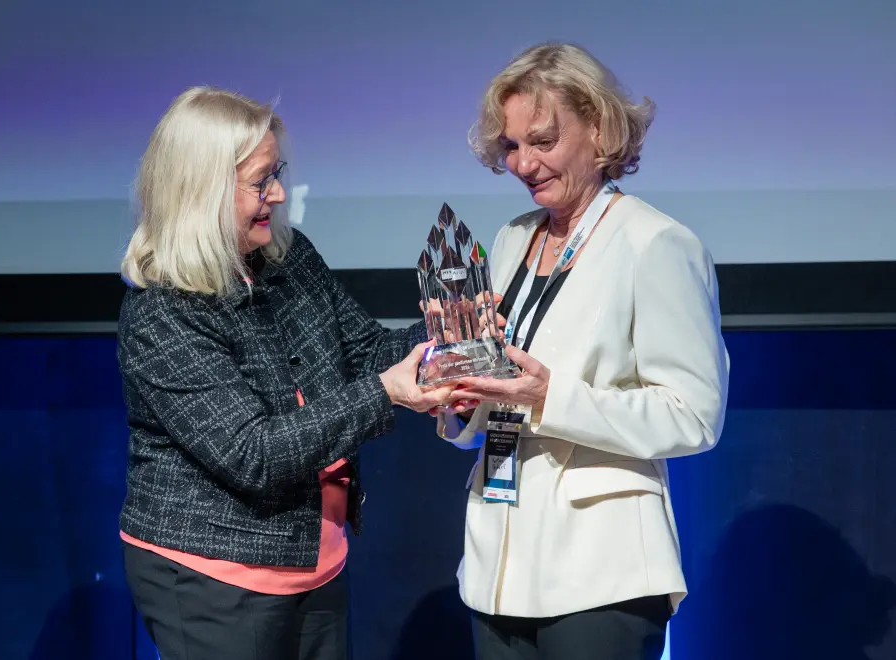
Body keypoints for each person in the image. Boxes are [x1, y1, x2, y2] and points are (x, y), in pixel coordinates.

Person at [116, 86, 448, 660]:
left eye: (279, 172)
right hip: (215, 578)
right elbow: (254, 454)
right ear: (202, 191)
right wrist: (386, 393)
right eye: (260, 181)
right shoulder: (162, 311)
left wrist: (447, 338)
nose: (278, 193)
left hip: (314, 562)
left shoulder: (288, 258)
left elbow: (367, 350)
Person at [434, 42, 730, 660]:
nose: (523, 162)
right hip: (499, 562)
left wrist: (550, 397)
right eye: (512, 146)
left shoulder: (656, 244)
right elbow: (500, 397)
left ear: (598, 128)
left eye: (542, 140)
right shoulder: (511, 239)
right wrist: (458, 397)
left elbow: (694, 415)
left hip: (602, 568)